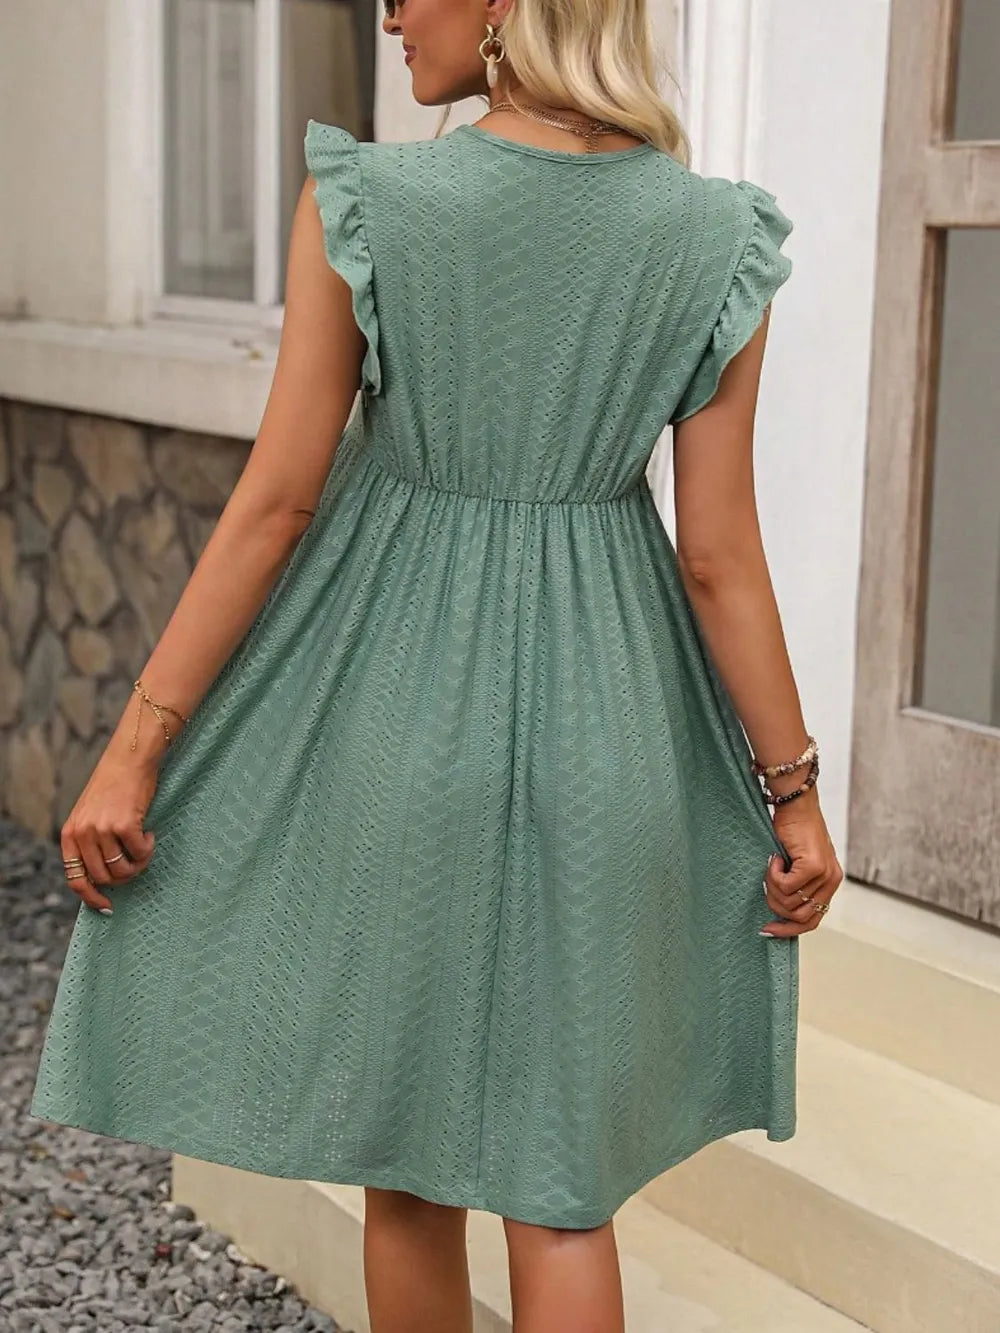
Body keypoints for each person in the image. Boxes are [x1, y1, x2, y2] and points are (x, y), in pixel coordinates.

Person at [30, 0, 844, 1329]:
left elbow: (276, 503)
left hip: (400, 718)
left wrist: (134, 751)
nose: (393, 12)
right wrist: (793, 793)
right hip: (612, 730)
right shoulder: (716, 237)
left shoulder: (372, 205)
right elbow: (719, 556)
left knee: (411, 1174)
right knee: (564, 1188)